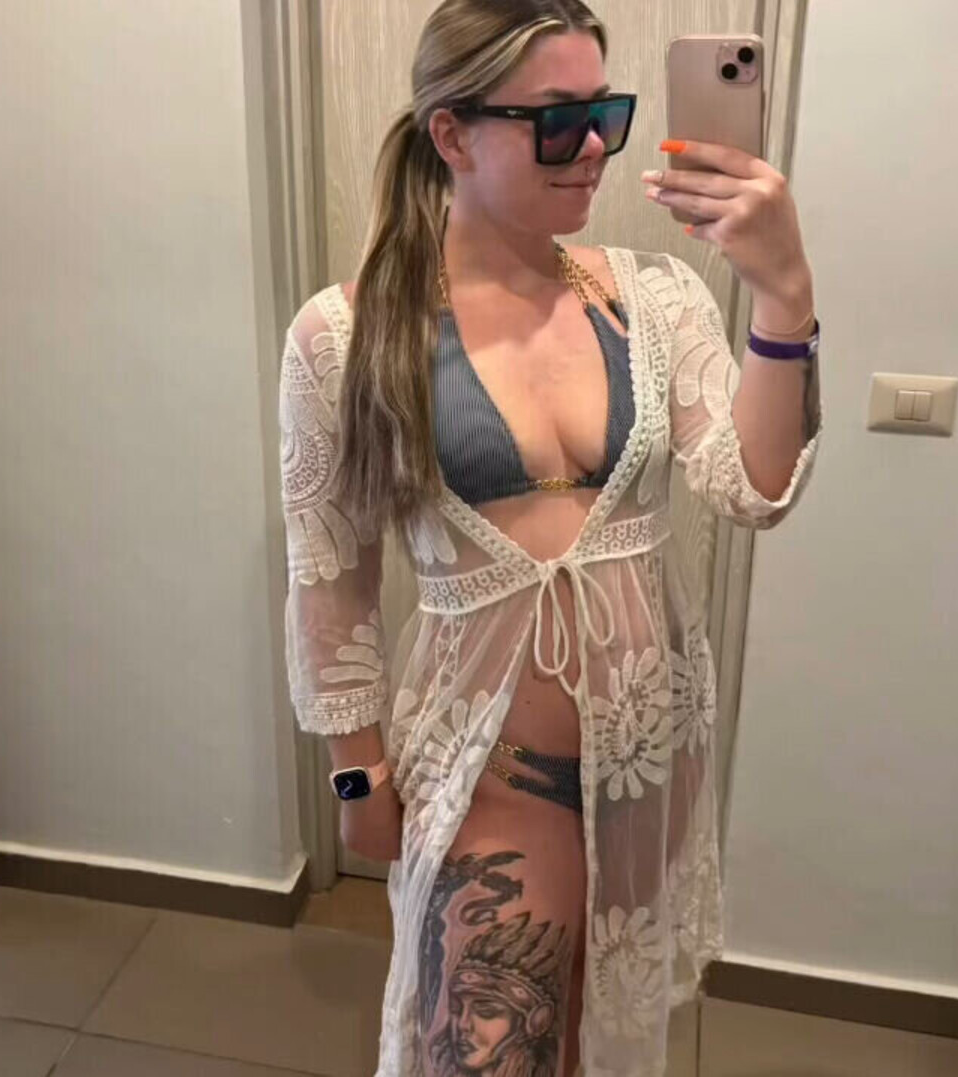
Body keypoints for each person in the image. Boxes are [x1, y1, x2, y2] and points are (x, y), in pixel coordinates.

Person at [278, 2, 822, 1074]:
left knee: (582, 1042)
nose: (592, 151)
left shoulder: (654, 300)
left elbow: (755, 488)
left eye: (605, 115)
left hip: (646, 761)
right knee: (486, 1051)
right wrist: (355, 775)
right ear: (451, 133)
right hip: (492, 771)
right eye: (556, 120)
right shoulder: (349, 331)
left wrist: (783, 294)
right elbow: (329, 574)